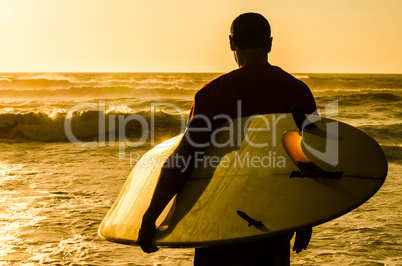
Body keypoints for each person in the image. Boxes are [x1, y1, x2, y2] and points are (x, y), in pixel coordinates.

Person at [138, 12, 316, 265]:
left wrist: (150, 216)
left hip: (220, 215)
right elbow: (308, 156)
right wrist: (308, 217)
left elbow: (185, 159)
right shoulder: (298, 90)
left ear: (232, 43)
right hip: (276, 217)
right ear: (270, 43)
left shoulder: (214, 93)